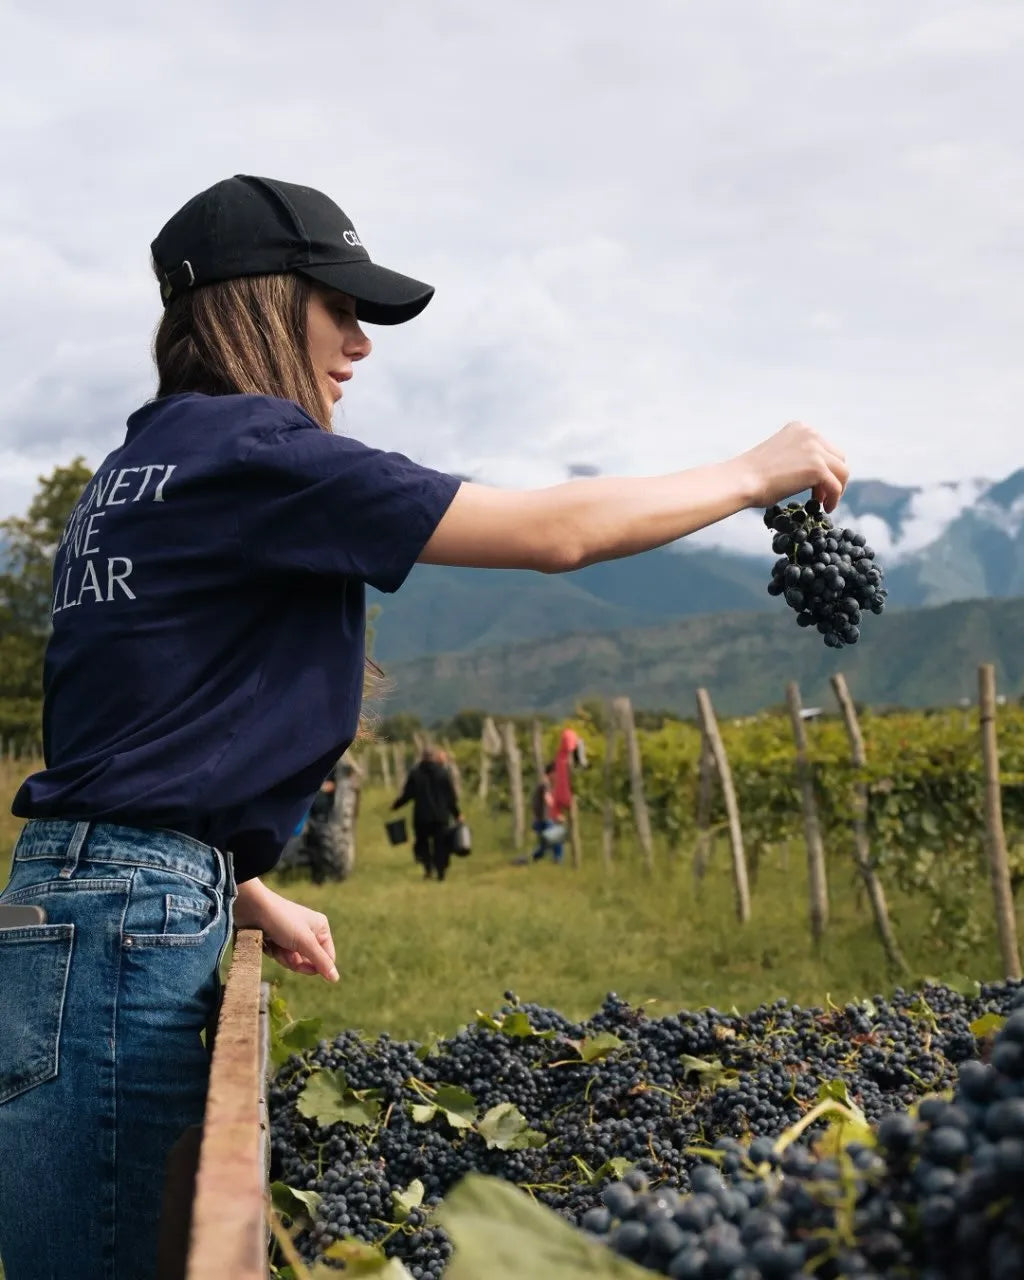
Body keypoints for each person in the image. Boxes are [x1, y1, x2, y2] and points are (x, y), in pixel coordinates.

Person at [0, 172, 847, 1280]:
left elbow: (116, 732)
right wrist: (747, 472)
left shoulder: (132, 473)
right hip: (123, 921)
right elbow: (551, 533)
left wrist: (239, 883)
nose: (358, 342)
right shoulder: (257, 455)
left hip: (75, 897)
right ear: (259, 302)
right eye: (336, 306)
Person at [391, 746, 461, 880]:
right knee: (440, 844)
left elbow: (408, 794)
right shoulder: (443, 773)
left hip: (422, 816)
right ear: (434, 757)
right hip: (440, 816)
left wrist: (396, 805)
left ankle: (427, 868)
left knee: (422, 843)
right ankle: (441, 872)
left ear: (422, 757)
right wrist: (457, 814)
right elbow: (450, 798)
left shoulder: (415, 773)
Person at [530, 762, 565, 864]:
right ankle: (557, 860)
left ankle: (533, 857)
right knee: (556, 836)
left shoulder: (546, 783)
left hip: (540, 819)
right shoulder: (545, 784)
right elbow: (548, 799)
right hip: (544, 819)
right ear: (551, 773)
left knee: (545, 845)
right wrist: (557, 814)